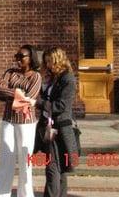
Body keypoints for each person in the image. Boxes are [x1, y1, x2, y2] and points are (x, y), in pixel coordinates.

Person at [0, 45, 42, 197]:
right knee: (6, 158)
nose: (17, 60)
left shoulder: (36, 76)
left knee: (25, 161)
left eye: (21, 56)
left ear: (31, 58)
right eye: (16, 56)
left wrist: (13, 95)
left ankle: (25, 194)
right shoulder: (10, 73)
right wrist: (17, 93)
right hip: (8, 119)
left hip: (26, 122)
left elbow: (29, 99)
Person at [35, 47, 78, 197]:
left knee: (53, 167)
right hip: (48, 127)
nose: (48, 65)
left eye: (50, 61)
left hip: (60, 128)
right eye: (46, 62)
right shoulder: (54, 78)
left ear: (58, 60)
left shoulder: (68, 79)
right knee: (58, 168)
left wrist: (38, 103)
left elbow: (61, 105)